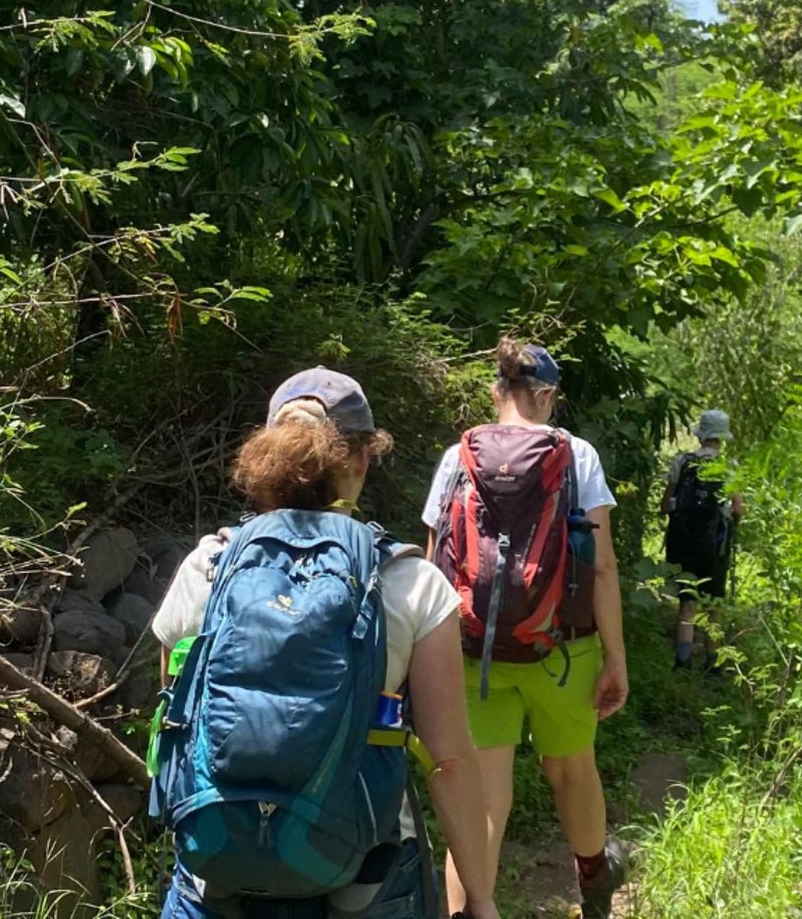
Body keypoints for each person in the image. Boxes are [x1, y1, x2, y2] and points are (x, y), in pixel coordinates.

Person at [150, 367, 501, 919]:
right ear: (361, 461)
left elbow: (172, 725)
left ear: (267, 452)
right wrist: (479, 899)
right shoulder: (410, 582)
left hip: (217, 871)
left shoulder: (207, 568)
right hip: (366, 873)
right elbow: (451, 762)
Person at [422, 339, 630, 919]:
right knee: (570, 768)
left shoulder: (456, 457)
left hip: (473, 653)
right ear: (546, 396)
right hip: (563, 646)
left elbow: (434, 560)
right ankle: (593, 877)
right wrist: (615, 657)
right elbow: (603, 565)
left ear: (497, 392)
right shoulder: (576, 455)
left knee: (482, 798)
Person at [661, 409, 745, 672]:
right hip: (716, 546)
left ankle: (683, 660)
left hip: (684, 544)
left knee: (687, 602)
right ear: (722, 438)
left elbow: (665, 506)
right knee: (713, 605)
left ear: (701, 434)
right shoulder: (729, 468)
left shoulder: (682, 462)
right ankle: (714, 664)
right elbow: (739, 510)